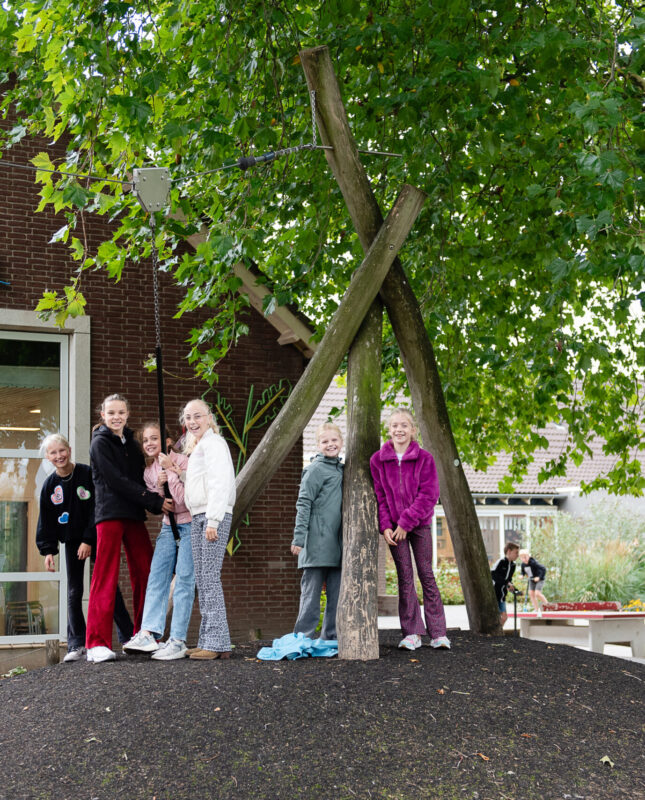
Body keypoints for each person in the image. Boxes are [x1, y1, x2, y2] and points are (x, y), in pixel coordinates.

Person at [85, 394, 173, 663]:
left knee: (146, 572)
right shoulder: (99, 444)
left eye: (121, 412)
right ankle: (96, 643)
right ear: (102, 415)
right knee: (105, 575)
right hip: (110, 514)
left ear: (128, 413)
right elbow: (116, 480)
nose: (116, 417)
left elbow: (139, 480)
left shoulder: (132, 445)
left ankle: (144, 634)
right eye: (111, 412)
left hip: (133, 515)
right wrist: (154, 501)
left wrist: (159, 486)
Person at [36, 433, 133, 662]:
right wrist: (48, 550)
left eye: (62, 450)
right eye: (53, 453)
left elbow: (97, 507)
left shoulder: (86, 474)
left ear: (69, 450)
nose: (58, 456)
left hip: (95, 536)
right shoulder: (50, 485)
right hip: (71, 541)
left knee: (108, 586)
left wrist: (88, 539)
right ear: (48, 457)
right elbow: (46, 521)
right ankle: (76, 644)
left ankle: (128, 637)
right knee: (74, 592)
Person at [370, 408, 450, 651]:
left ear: (413, 430)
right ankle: (412, 633)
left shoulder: (425, 458)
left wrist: (406, 522)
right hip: (394, 530)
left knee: (426, 574)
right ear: (389, 429)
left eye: (404, 425)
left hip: (420, 524)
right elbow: (380, 497)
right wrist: (386, 526)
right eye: (395, 425)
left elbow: (429, 494)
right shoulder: (378, 460)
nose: (399, 430)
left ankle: (438, 634)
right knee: (405, 577)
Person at [123, 423, 194, 660]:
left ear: (167, 442)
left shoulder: (183, 462)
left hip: (190, 525)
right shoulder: (148, 472)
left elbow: (185, 501)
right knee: (156, 577)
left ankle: (177, 639)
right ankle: (149, 633)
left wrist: (170, 475)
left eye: (154, 438)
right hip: (168, 527)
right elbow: (164, 505)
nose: (149, 443)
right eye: (145, 440)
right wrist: (161, 488)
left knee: (184, 579)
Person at [182, 398, 236, 660]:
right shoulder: (201, 445)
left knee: (209, 577)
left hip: (212, 517)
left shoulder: (214, 442)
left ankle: (216, 643)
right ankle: (212, 641)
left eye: (197, 416)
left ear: (209, 417)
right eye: (188, 417)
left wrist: (213, 520)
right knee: (203, 579)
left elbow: (220, 480)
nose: (192, 422)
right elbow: (199, 482)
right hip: (200, 515)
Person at [291, 422, 343, 641]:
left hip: (336, 543)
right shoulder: (315, 470)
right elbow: (303, 503)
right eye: (325, 441)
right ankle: (303, 637)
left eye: (334, 440)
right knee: (311, 594)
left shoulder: (341, 468)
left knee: (335, 594)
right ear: (318, 445)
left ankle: (329, 637)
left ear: (341, 442)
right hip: (314, 543)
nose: (330, 444)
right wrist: (299, 538)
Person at [491, 542, 520, 626]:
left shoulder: (513, 565)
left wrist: (511, 586)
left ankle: (498, 635)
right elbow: (493, 574)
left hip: (502, 595)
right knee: (496, 617)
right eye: (516, 552)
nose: (517, 555)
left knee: (504, 617)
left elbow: (509, 579)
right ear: (509, 551)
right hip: (494, 593)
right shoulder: (501, 561)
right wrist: (507, 582)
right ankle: (495, 635)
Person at [518, 548, 547, 617]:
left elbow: (543, 569)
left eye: (525, 557)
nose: (524, 559)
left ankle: (547, 605)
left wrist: (539, 577)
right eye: (522, 558)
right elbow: (523, 571)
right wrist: (522, 575)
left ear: (529, 556)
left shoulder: (533, 563)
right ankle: (536, 609)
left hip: (539, 579)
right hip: (531, 580)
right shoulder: (523, 565)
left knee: (537, 593)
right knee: (531, 594)